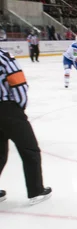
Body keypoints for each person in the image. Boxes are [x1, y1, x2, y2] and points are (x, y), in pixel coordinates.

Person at [0, 48, 52, 204]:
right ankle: (36, 191)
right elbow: (19, 84)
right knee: (29, 149)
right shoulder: (4, 56)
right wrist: (18, 109)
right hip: (7, 109)